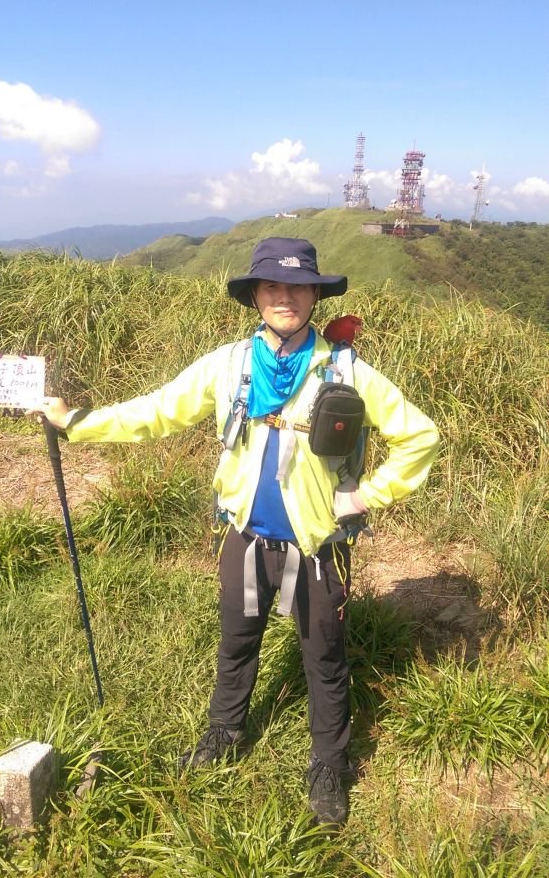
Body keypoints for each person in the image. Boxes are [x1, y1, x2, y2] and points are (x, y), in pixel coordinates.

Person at [35, 237, 439, 827]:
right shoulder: (229, 366)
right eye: (273, 286)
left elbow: (420, 436)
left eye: (299, 287)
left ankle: (328, 765)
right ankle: (223, 732)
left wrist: (365, 496)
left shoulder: (346, 368)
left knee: (323, 658)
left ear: (315, 297)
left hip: (318, 547)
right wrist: (77, 424)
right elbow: (158, 410)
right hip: (246, 537)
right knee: (237, 641)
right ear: (255, 295)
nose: (286, 297)